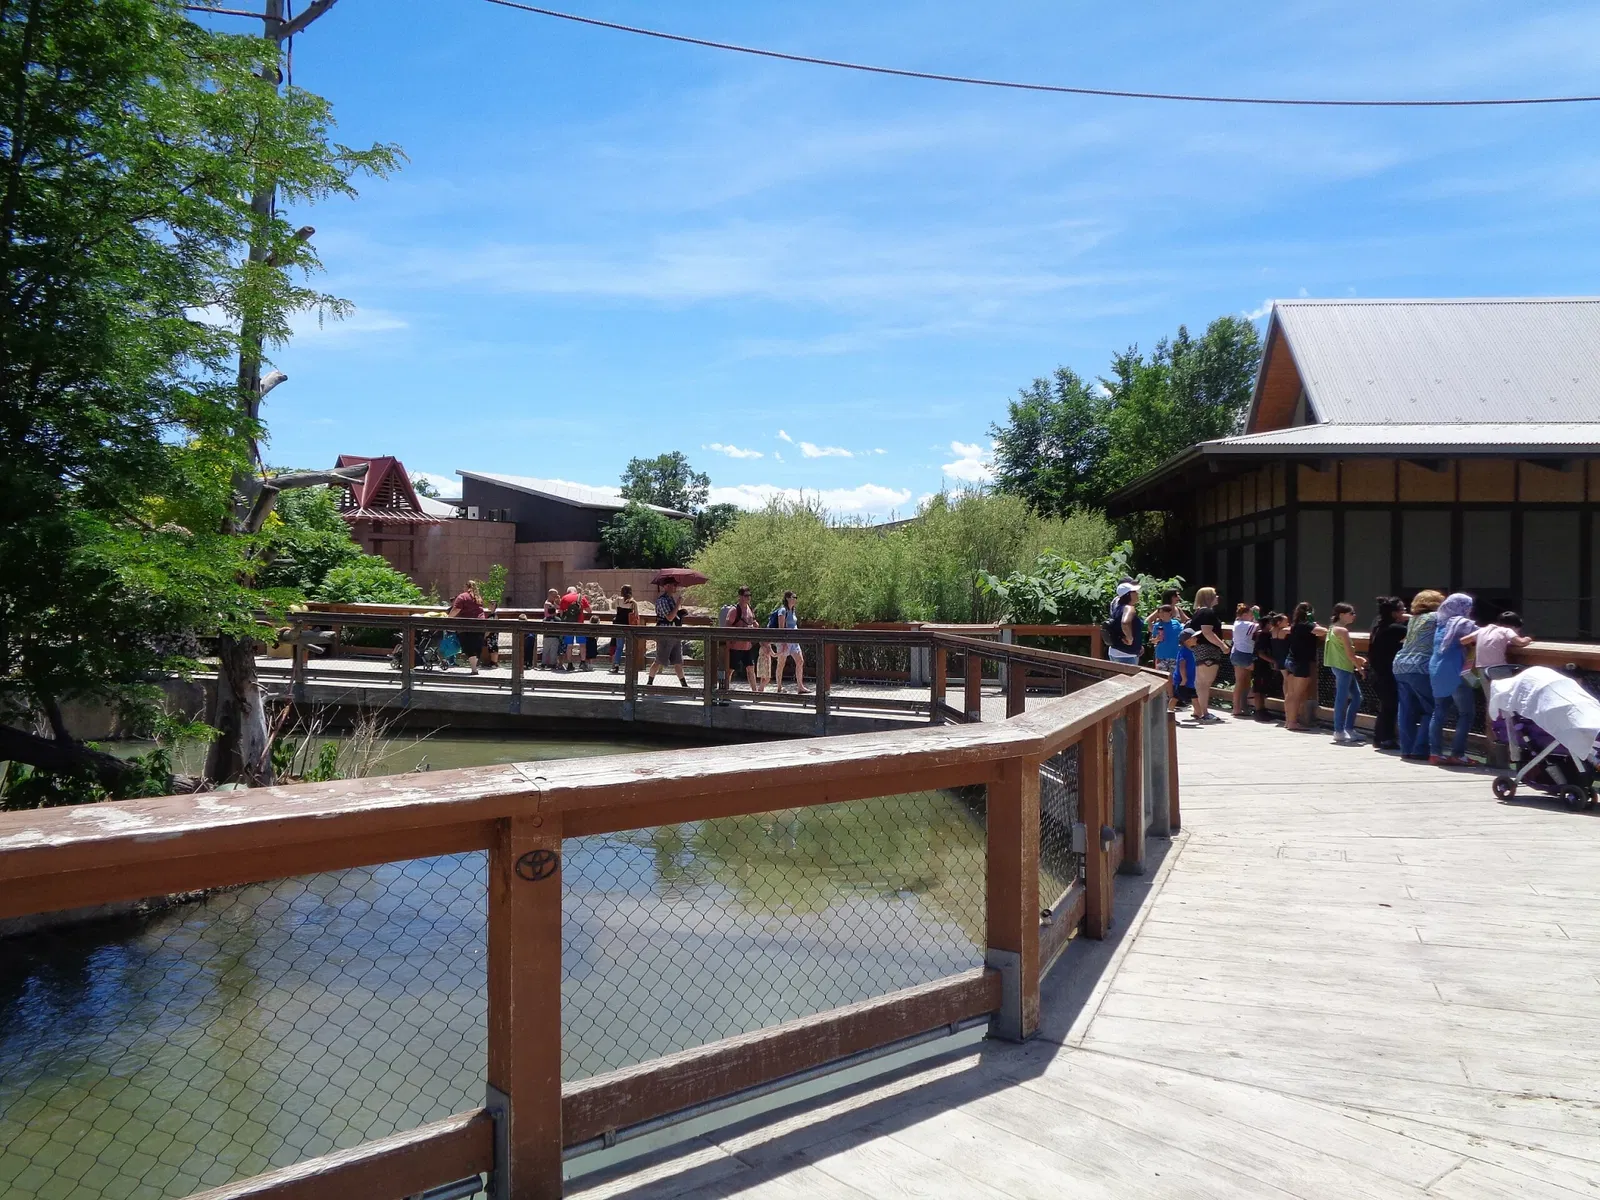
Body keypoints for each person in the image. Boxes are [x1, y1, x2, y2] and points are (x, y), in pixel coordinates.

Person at [1391, 590, 1444, 760]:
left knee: (1406, 709)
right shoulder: (1437, 617)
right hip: (1421, 666)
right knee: (1432, 708)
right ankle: (1420, 749)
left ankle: (1406, 748)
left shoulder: (1413, 619)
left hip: (1400, 664)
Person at [1427, 592, 1478, 765]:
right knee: (1466, 713)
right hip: (1456, 672)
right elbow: (1484, 634)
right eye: (1468, 605)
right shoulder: (1462, 623)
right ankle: (1458, 754)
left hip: (1436, 670)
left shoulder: (1441, 623)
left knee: (1439, 712)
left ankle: (1435, 753)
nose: (1470, 609)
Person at [1366, 597, 1409, 750]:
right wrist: (1412, 618)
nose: (1405, 612)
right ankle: (1386, 739)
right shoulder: (1395, 629)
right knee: (1390, 706)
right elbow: (1416, 630)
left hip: (1375, 671)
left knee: (1386, 706)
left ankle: (1380, 738)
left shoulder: (1378, 625)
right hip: (1386, 673)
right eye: (1402, 610)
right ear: (1394, 613)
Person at [1324, 602, 1366, 744]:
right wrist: (1359, 667)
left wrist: (1356, 660)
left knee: (1357, 697)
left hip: (1341, 666)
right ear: (1342, 615)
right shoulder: (1342, 631)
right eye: (1351, 613)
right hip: (1343, 667)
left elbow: (1345, 651)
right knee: (1342, 699)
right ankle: (1339, 730)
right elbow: (1349, 653)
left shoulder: (1332, 629)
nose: (1354, 616)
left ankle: (1347, 729)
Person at [1187, 587, 1229, 723]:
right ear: (1208, 597)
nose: (1217, 597)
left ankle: (1199, 711)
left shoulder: (1199, 612)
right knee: (1205, 683)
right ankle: (1204, 713)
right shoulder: (1207, 612)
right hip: (1208, 650)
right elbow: (1207, 632)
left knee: (1200, 683)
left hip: (1199, 649)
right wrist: (1222, 645)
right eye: (1215, 595)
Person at [1282, 602, 1325, 731]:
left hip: (1290, 660)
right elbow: (1323, 632)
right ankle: (1293, 722)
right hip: (1301, 662)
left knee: (1290, 694)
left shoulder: (1295, 625)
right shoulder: (1306, 625)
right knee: (1298, 694)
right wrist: (1315, 623)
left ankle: (1288, 720)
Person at [645, 580, 691, 689]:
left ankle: (684, 686)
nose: (676, 587)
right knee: (659, 660)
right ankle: (649, 683)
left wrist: (680, 611)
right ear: (666, 586)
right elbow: (669, 617)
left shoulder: (670, 599)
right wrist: (678, 605)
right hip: (664, 632)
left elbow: (674, 615)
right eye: (674, 585)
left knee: (678, 661)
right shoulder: (662, 600)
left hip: (674, 632)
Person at [724, 586, 765, 697]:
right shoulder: (734, 611)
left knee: (751, 669)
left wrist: (755, 625)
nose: (748, 598)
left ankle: (755, 694)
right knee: (730, 670)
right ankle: (725, 692)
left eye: (749, 595)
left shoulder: (749, 609)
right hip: (735, 647)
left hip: (747, 647)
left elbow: (753, 621)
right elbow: (727, 627)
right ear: (740, 597)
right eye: (746, 596)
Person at [771, 590, 809, 695]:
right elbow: (781, 628)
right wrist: (783, 643)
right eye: (794, 597)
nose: (795, 599)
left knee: (800, 661)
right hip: (785, 641)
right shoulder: (783, 611)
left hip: (794, 641)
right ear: (788, 598)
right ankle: (779, 687)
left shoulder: (793, 610)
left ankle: (800, 686)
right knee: (781, 663)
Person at [1251, 612, 1286, 721]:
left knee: (1263, 688)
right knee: (1259, 689)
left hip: (1265, 666)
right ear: (1266, 624)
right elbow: (1260, 653)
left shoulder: (1267, 635)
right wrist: (1273, 661)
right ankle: (1258, 710)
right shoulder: (1262, 635)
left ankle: (1262, 709)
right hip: (1260, 665)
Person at [447, 580, 485, 675]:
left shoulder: (462, 596)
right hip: (480, 625)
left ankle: (474, 669)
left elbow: (456, 609)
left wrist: (448, 618)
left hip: (466, 625)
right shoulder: (478, 598)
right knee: (476, 647)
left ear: (466, 586)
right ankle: (474, 668)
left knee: (469, 647)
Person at [1150, 602, 1183, 710]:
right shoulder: (1157, 626)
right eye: (1160, 614)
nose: (1161, 616)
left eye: (1163, 613)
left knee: (1173, 679)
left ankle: (1171, 701)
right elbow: (1153, 640)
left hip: (1174, 655)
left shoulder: (1176, 624)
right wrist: (1156, 640)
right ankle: (1161, 701)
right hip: (1161, 656)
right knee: (1162, 678)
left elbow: (1182, 637)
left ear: (1170, 613)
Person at [1229, 602, 1259, 718]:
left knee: (1243, 682)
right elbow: (1259, 626)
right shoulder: (1245, 624)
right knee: (1258, 674)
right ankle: (1244, 703)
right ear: (1245, 614)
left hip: (1236, 653)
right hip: (1244, 654)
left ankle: (1240, 707)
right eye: (1250, 614)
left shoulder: (1237, 623)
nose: (1251, 617)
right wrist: (1257, 614)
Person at [1105, 581, 1143, 665]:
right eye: (1134, 592)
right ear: (1128, 595)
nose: (1137, 593)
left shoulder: (1117, 608)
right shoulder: (1129, 608)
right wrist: (1130, 639)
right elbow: (1125, 623)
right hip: (1127, 654)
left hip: (1115, 651)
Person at [608, 585, 637, 673]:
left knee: (619, 647)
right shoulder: (633, 602)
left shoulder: (618, 600)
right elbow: (636, 615)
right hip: (628, 627)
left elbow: (613, 607)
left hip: (618, 626)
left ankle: (616, 665)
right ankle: (628, 667)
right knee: (629, 647)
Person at [539, 588, 561, 669]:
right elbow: (558, 609)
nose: (556, 597)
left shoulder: (552, 603)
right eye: (555, 595)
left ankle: (549, 663)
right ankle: (549, 664)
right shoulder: (548, 604)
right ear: (551, 595)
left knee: (550, 649)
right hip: (549, 626)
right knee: (548, 649)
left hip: (551, 627)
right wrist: (558, 601)